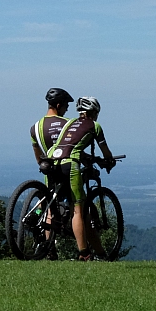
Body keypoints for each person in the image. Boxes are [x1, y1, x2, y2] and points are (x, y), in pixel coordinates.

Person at [29, 88, 96, 260]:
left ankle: (50, 249)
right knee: (77, 209)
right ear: (58, 105)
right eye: (66, 106)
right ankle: (85, 252)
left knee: (50, 209)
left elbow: (39, 156)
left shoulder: (34, 128)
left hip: (49, 170)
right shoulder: (68, 124)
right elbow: (71, 147)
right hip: (67, 167)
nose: (67, 109)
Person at [60, 96, 118, 260]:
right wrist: (109, 160)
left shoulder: (69, 123)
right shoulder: (94, 126)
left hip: (53, 161)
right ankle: (84, 253)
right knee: (77, 210)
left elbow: (70, 146)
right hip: (70, 164)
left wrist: (86, 157)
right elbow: (105, 149)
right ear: (94, 112)